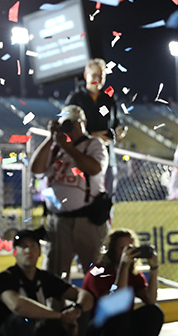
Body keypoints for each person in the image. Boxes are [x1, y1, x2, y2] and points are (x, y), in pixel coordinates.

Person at [28, 105, 109, 281]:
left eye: (73, 123)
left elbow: (94, 169)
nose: (70, 128)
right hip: (58, 222)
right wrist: (50, 138)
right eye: (66, 124)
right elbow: (36, 169)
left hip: (87, 221)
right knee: (55, 276)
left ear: (84, 123)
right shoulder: (55, 148)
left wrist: (69, 147)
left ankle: (93, 299)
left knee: (96, 274)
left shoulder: (94, 144)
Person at [0, 227, 93, 336]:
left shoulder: (44, 277)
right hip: (3, 331)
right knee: (24, 320)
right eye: (23, 247)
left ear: (39, 252)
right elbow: (18, 306)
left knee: (81, 313)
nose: (28, 250)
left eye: (33, 246)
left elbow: (84, 295)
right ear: (15, 252)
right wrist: (59, 316)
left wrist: (77, 309)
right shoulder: (5, 278)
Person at [81, 229, 163, 336]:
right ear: (112, 250)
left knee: (154, 312)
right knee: (120, 317)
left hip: (122, 323)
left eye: (130, 247)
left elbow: (151, 300)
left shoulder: (133, 274)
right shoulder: (97, 271)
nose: (127, 251)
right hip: (98, 325)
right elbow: (115, 303)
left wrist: (154, 268)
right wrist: (123, 266)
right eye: (122, 248)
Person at [65, 59, 126, 192]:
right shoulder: (75, 99)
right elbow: (67, 127)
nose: (97, 79)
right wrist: (92, 136)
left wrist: (118, 131)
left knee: (107, 197)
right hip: (83, 156)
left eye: (101, 76)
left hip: (107, 157)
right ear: (86, 75)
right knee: (82, 195)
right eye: (94, 75)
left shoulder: (109, 100)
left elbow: (116, 123)